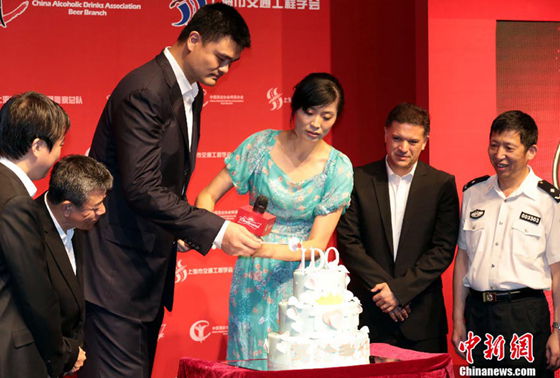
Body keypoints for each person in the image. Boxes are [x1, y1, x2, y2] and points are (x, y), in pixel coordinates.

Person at [80, 4, 261, 377]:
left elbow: (163, 183)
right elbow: (142, 187)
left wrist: (178, 228)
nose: (225, 69)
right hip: (114, 275)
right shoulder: (146, 89)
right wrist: (217, 229)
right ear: (193, 40)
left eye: (232, 62)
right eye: (221, 58)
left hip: (143, 272)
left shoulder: (190, 92)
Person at [196, 72, 353, 369]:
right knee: (250, 362)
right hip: (252, 278)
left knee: (296, 365)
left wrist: (259, 249)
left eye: (327, 116)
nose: (316, 124)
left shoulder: (338, 167)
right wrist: (218, 232)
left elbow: (316, 245)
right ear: (294, 108)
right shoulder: (259, 146)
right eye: (309, 112)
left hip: (304, 282)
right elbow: (206, 195)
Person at [337, 103, 460, 353]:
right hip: (369, 314)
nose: (404, 148)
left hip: (422, 318)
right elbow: (349, 242)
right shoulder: (357, 179)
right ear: (385, 134)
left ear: (425, 141)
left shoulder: (441, 184)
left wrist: (400, 292)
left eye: (413, 141)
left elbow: (443, 249)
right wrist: (388, 293)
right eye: (397, 138)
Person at [452, 110, 560, 375]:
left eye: (508, 147)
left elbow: (558, 272)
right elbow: (463, 260)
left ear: (531, 151)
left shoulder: (548, 200)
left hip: (524, 316)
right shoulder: (474, 193)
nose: (498, 155)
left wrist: (558, 330)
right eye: (494, 145)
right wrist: (458, 320)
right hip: (478, 316)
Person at [0, 91, 70, 377]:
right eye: (60, 144)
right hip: (12, 355)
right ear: (38, 146)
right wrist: (60, 355)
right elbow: (36, 291)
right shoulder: (15, 201)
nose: (60, 154)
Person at [34, 155, 113, 376]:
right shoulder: (30, 232)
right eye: (95, 207)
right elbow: (34, 309)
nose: (103, 211)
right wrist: (65, 353)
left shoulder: (78, 224)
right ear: (67, 208)